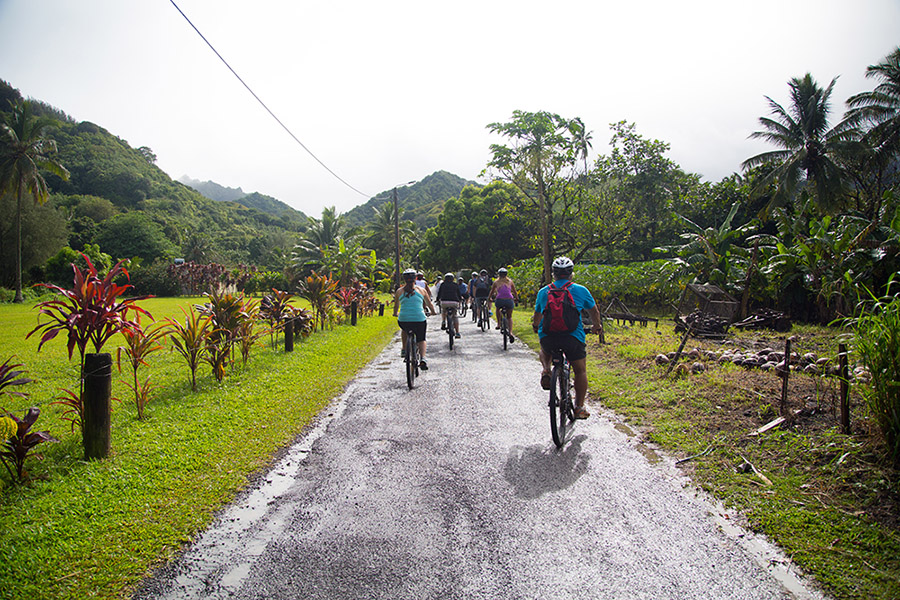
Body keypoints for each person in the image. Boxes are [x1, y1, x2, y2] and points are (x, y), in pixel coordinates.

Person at [531, 256, 602, 419]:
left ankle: (547, 369)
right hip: (573, 337)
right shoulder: (581, 290)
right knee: (580, 370)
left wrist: (536, 327)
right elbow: (594, 312)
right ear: (571, 274)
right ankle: (579, 407)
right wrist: (597, 326)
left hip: (549, 337)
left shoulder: (544, 291)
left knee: (544, 347)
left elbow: (537, 315)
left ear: (554, 274)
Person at [394, 268, 437, 370]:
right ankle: (423, 358)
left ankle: (404, 349)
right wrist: (433, 312)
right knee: (421, 339)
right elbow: (429, 304)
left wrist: (395, 313)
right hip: (419, 320)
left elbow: (396, 306)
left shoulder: (399, 291)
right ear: (415, 278)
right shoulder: (421, 290)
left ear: (404, 279)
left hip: (404, 319)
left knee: (404, 329)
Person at [489, 267, 518, 340]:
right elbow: (514, 291)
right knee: (509, 317)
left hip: (500, 300)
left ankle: (498, 324)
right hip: (509, 300)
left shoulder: (496, 282)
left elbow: (492, 291)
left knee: (498, 309)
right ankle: (510, 332)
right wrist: (517, 298)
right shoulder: (510, 281)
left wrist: (489, 298)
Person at [435, 272, 462, 338]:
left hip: (444, 302)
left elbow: (439, 293)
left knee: (444, 311)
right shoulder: (455, 285)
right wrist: (460, 300)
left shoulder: (443, 284)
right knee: (455, 316)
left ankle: (444, 321)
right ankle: (457, 332)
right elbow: (458, 294)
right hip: (454, 302)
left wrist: (438, 300)